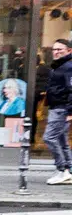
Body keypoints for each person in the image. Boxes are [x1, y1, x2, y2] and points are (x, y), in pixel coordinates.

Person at [45, 38, 72, 185]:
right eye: (54, 49)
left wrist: (70, 111)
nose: (55, 52)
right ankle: (68, 171)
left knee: (49, 137)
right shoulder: (59, 66)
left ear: (69, 50)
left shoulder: (68, 67)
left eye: (59, 49)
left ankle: (62, 169)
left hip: (61, 108)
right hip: (58, 107)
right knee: (61, 140)